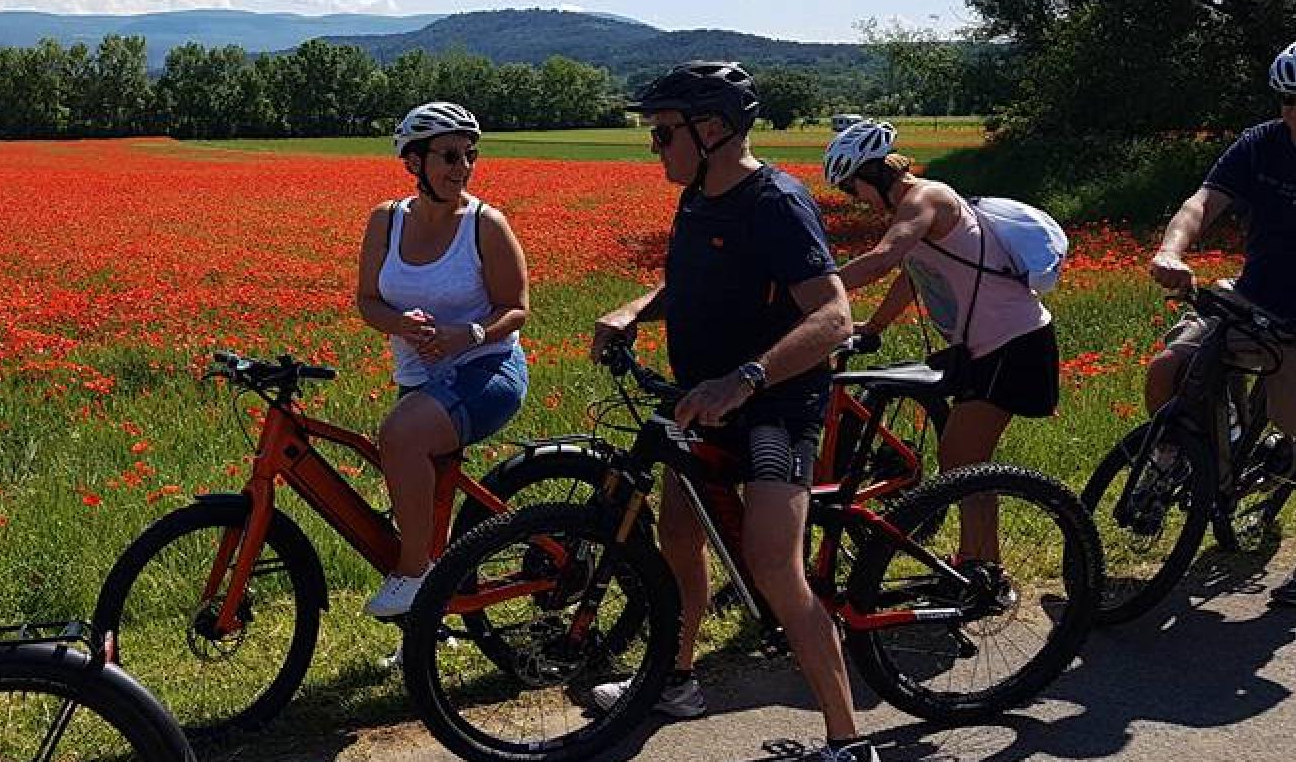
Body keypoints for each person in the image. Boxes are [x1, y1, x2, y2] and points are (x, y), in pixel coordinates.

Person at [588, 62, 877, 762]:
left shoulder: (774, 202)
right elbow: (688, 277)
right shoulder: (698, 197)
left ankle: (847, 742)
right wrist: (634, 308)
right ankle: (678, 679)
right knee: (679, 538)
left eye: (662, 134)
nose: (654, 147)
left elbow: (835, 316)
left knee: (775, 566)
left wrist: (744, 379)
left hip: (776, 405)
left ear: (711, 129)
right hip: (706, 400)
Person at [823, 119, 1059, 565]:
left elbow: (884, 258)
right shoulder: (911, 210)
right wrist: (872, 327)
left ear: (873, 175)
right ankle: (981, 564)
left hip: (1015, 341)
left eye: (853, 190)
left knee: (962, 460)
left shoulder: (926, 198)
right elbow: (909, 274)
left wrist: (812, 293)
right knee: (963, 462)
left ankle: (981, 568)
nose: (856, 201)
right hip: (987, 347)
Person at [355, 101, 530, 618]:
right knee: (425, 503)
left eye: (469, 156)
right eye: (449, 156)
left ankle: (415, 578)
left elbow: (517, 309)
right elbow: (368, 301)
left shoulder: (485, 225)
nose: (463, 168)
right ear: (414, 162)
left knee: (400, 437)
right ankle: (432, 624)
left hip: (488, 368)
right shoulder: (385, 222)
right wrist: (401, 324)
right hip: (419, 375)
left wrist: (467, 334)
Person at [1147, 40, 1296, 606]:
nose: (1292, 113)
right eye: (1286, 99)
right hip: (1254, 295)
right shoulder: (1261, 145)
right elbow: (1202, 203)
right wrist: (1172, 250)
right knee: (1169, 368)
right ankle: (1173, 461)